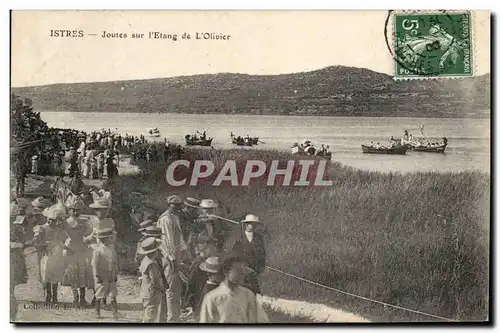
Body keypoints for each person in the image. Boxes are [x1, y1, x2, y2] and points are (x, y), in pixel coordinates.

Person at [199, 256, 259, 323]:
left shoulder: (249, 295)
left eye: (244, 270)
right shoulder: (212, 297)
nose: (243, 274)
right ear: (226, 272)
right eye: (239, 270)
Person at [156, 195, 188, 322]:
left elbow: (179, 238)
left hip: (176, 255)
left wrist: (184, 252)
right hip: (168, 256)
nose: (178, 207)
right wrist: (172, 258)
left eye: (179, 205)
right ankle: (171, 318)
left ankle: (173, 315)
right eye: (176, 205)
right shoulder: (165, 219)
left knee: (175, 287)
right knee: (170, 288)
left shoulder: (175, 217)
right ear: (170, 205)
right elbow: (166, 241)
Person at [33, 205, 68, 304]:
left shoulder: (59, 229)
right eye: (49, 219)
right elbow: (36, 241)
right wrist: (42, 243)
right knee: (46, 273)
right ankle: (48, 295)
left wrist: (67, 248)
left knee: (55, 273)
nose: (50, 222)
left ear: (56, 220)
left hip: (57, 252)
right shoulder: (42, 228)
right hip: (46, 253)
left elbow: (63, 241)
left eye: (53, 220)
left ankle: (55, 296)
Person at [62, 195, 92, 308]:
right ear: (68, 210)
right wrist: (65, 246)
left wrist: (89, 238)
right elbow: (61, 236)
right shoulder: (65, 222)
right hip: (70, 249)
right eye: (72, 210)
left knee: (82, 272)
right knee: (72, 273)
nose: (75, 212)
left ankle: (83, 298)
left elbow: (88, 234)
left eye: (77, 210)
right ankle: (75, 298)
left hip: (81, 249)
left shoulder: (84, 222)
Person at [225, 214, 266, 295]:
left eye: (255, 224)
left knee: (252, 289)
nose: (253, 226)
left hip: (254, 267)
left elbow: (262, 253)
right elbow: (234, 254)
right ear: (246, 224)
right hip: (242, 268)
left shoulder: (258, 237)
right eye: (251, 224)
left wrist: (261, 267)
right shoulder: (239, 237)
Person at [91, 228, 119, 319]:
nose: (111, 240)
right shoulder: (98, 251)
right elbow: (94, 264)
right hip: (102, 275)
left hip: (111, 274)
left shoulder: (112, 250)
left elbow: (114, 263)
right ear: (105, 239)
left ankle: (115, 313)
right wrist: (97, 275)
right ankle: (97, 312)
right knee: (99, 294)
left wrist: (115, 274)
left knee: (112, 294)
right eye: (110, 238)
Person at [138, 237, 168, 323]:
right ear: (154, 252)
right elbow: (155, 280)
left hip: (146, 292)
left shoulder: (146, 260)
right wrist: (162, 288)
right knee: (150, 316)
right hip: (152, 293)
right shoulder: (151, 264)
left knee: (149, 313)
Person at [11, 215, 28, 321]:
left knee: (11, 288)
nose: (20, 227)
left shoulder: (20, 232)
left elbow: (23, 243)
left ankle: (13, 315)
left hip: (15, 260)